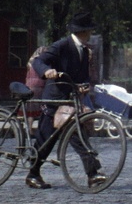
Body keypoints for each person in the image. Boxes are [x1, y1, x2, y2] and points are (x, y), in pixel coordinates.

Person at [28, 13, 103, 190]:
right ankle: (33, 174)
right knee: (45, 141)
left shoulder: (84, 50)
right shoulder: (62, 45)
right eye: (89, 30)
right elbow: (39, 61)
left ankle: (93, 175)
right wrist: (47, 71)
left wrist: (84, 85)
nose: (91, 33)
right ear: (84, 31)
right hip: (54, 100)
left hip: (70, 102)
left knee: (77, 136)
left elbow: (83, 75)